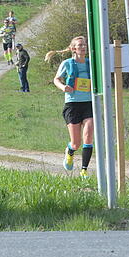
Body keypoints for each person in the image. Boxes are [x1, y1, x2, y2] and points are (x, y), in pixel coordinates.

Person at [45, 36, 93, 178]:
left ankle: (84, 170)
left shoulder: (91, 64)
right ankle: (70, 151)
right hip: (72, 104)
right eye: (80, 45)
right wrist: (63, 87)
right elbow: (56, 79)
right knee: (76, 143)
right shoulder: (67, 63)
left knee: (89, 134)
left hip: (88, 103)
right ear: (73, 49)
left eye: (84, 45)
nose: (83, 47)